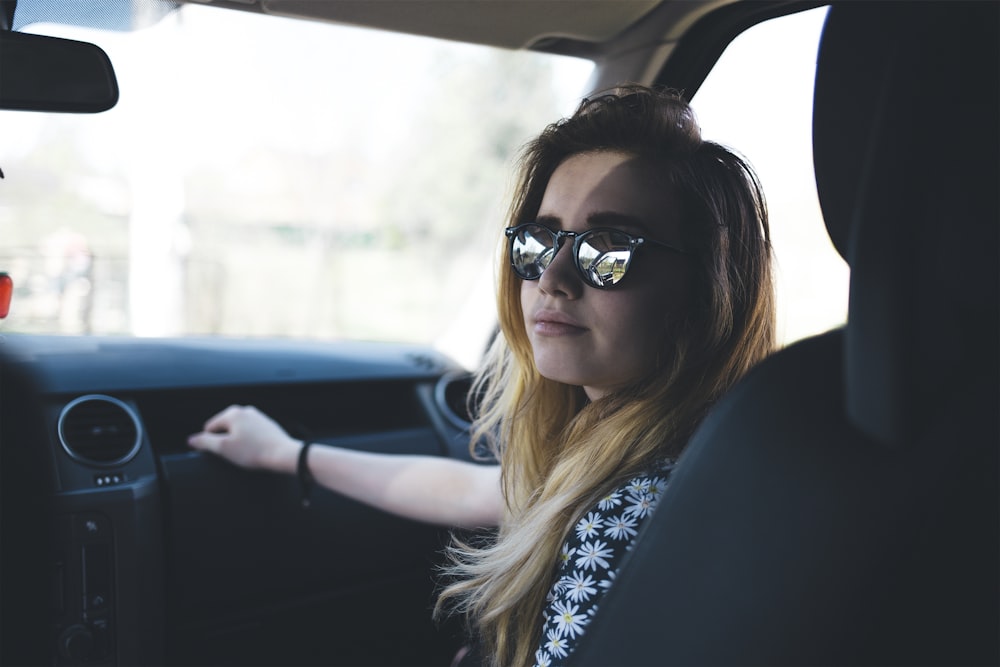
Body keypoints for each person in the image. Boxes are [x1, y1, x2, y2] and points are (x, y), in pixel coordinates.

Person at [188, 84, 775, 667]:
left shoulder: (626, 519)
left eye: (611, 248)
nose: (552, 277)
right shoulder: (633, 454)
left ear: (708, 287)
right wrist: (289, 453)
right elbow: (477, 490)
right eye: (541, 239)